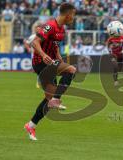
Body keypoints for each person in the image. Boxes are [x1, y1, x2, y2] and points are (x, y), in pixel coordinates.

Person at [24, 3, 76, 141]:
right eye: (73, 14)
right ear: (68, 14)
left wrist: (60, 59)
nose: (74, 17)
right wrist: (43, 55)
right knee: (71, 70)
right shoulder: (50, 26)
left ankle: (31, 125)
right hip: (41, 63)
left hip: (51, 62)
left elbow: (55, 46)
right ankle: (56, 99)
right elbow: (35, 42)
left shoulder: (61, 29)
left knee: (48, 101)